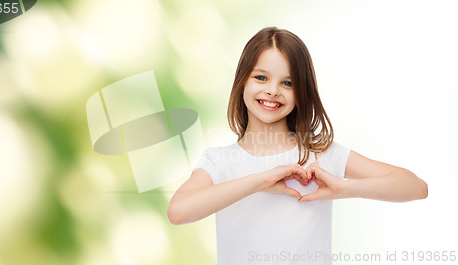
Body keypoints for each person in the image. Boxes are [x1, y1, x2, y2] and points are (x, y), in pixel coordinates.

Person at [167, 27, 428, 265]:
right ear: (242, 82)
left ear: (302, 91)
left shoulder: (321, 154)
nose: (272, 91)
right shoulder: (219, 161)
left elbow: (416, 187)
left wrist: (345, 189)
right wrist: (259, 181)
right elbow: (178, 211)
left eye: (287, 83)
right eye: (261, 77)